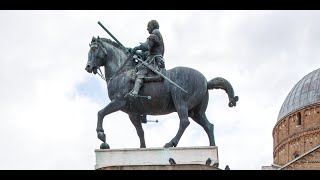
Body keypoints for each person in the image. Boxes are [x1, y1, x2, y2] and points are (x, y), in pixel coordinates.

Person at [126, 20, 165, 98]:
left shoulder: (155, 33)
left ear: (153, 26)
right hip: (152, 58)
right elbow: (145, 53)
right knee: (137, 69)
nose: (147, 29)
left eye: (148, 26)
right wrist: (133, 50)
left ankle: (135, 92)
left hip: (154, 60)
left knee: (141, 73)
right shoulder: (156, 35)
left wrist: (136, 48)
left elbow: (147, 46)